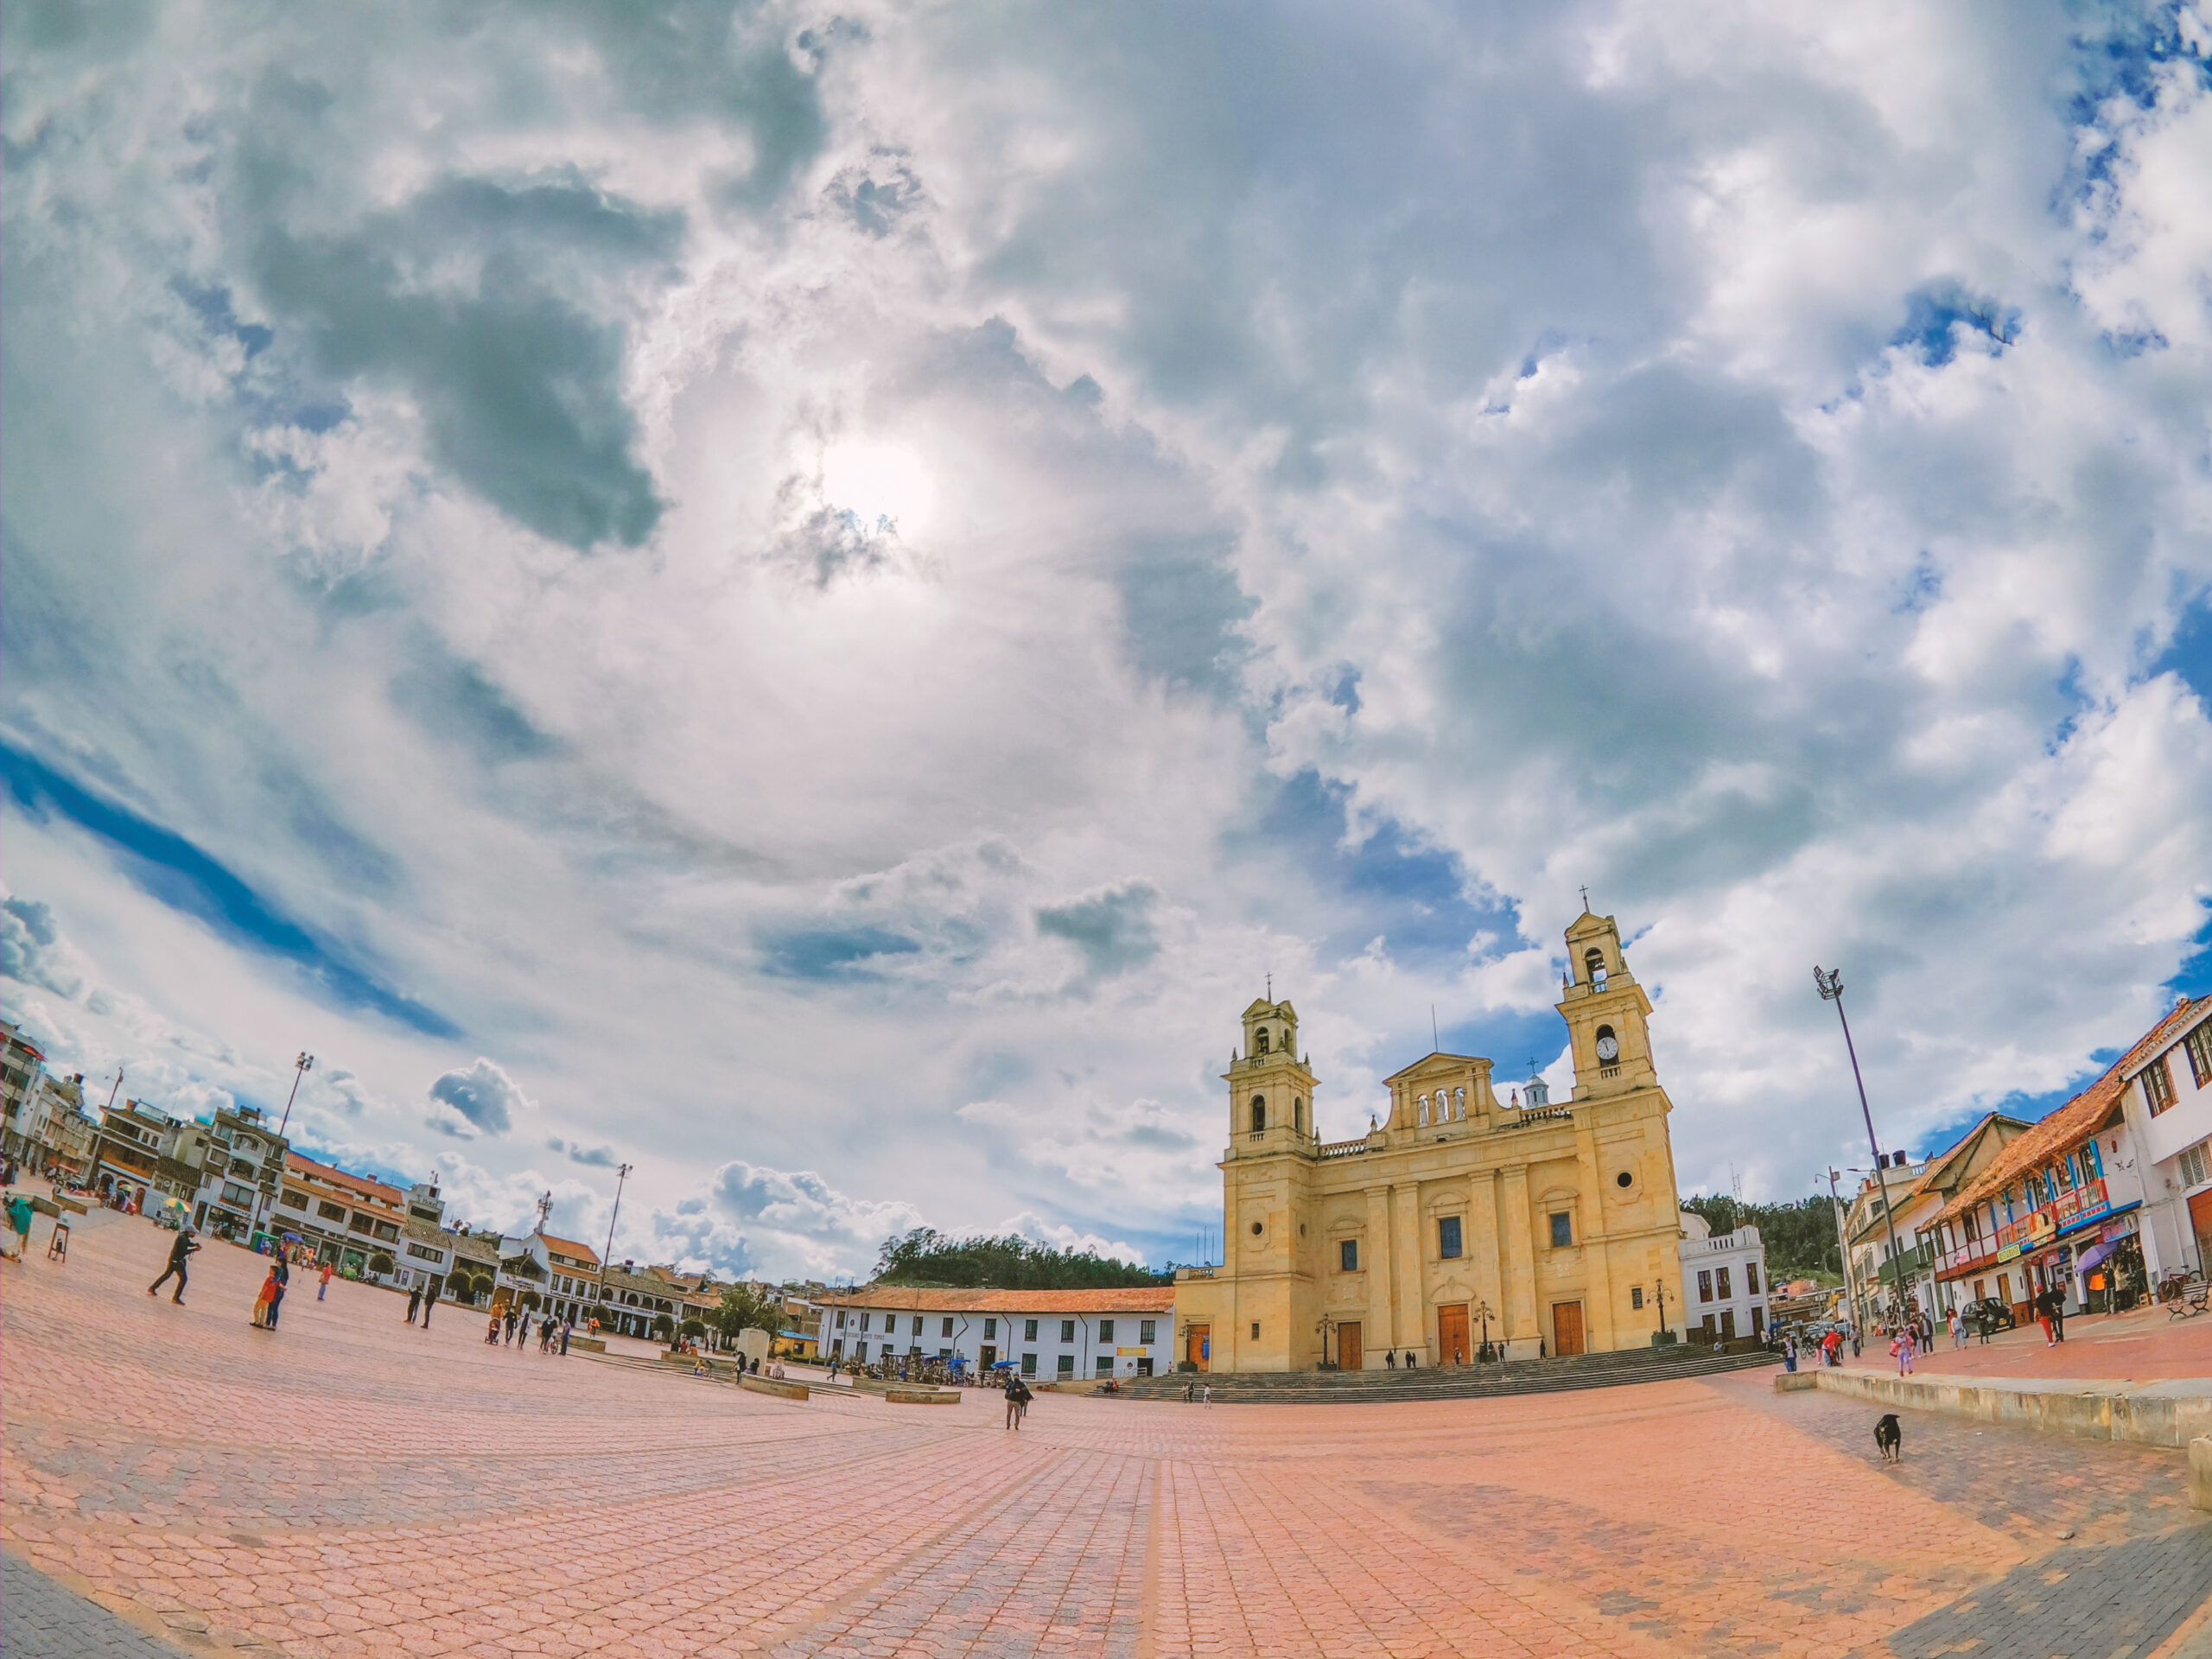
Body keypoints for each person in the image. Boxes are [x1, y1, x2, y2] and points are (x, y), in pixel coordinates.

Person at [148, 1228, 200, 1302]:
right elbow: (183, 1252)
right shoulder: (183, 1238)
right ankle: (176, 1298)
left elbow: (187, 1243)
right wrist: (194, 1249)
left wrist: (194, 1245)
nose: (194, 1235)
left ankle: (152, 1288)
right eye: (193, 1233)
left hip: (173, 1260)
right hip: (177, 1262)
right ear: (189, 1232)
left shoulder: (183, 1236)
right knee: (183, 1279)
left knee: (166, 1275)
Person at [4, 1190, 34, 1262]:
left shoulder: (18, 1205)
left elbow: (14, 1212)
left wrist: (10, 1210)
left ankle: (15, 1252)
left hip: (23, 1220)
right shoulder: (22, 1204)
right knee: (20, 1237)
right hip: (27, 1219)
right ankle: (16, 1251)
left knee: (19, 1237)